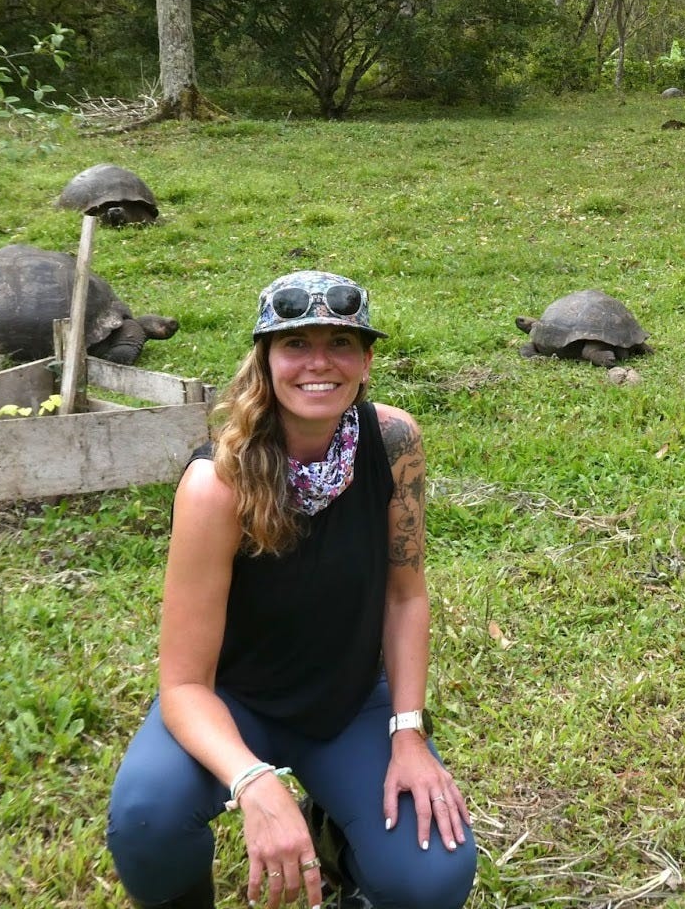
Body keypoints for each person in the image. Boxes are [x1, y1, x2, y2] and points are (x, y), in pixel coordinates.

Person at [107, 271, 477, 909]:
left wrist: (408, 732)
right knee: (147, 821)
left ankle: (342, 845)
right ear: (265, 360)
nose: (319, 364)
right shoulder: (215, 484)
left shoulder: (393, 443)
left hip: (348, 700)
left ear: (365, 360)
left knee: (433, 876)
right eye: (296, 345)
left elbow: (404, 597)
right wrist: (252, 781)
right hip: (233, 701)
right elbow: (184, 685)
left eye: (341, 343)